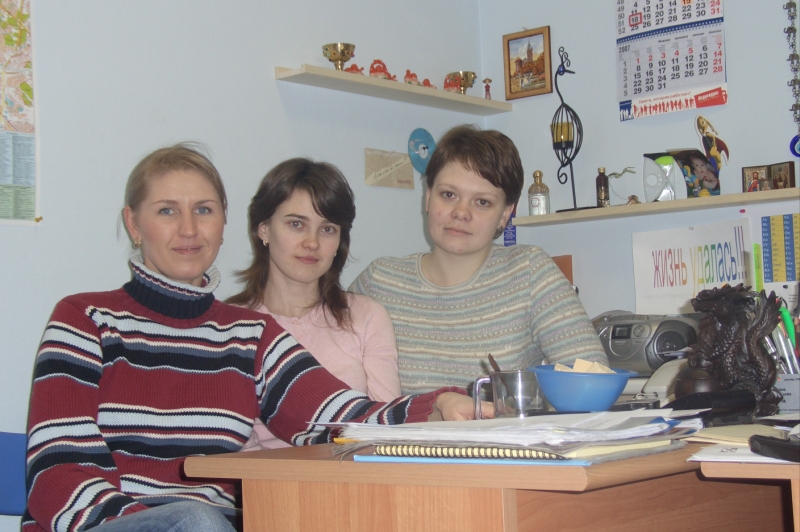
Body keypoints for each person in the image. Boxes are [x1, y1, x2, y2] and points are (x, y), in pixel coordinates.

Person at [24, 144, 483, 532]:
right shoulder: (85, 319)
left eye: (203, 211)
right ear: (133, 223)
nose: (189, 229)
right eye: (167, 211)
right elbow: (57, 473)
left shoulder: (248, 334)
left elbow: (341, 418)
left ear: (223, 223)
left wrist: (437, 406)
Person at [350, 125, 608, 395]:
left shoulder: (529, 272)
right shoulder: (380, 281)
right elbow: (330, 379)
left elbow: (592, 380)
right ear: (428, 197)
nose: (461, 212)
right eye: (448, 195)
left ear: (505, 214)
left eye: (482, 202)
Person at [226, 158, 400, 450]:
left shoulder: (368, 316)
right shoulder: (231, 326)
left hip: (355, 473)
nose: (312, 242)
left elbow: (386, 427)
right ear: (264, 229)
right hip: (263, 477)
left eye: (327, 229)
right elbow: (237, 448)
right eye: (296, 224)